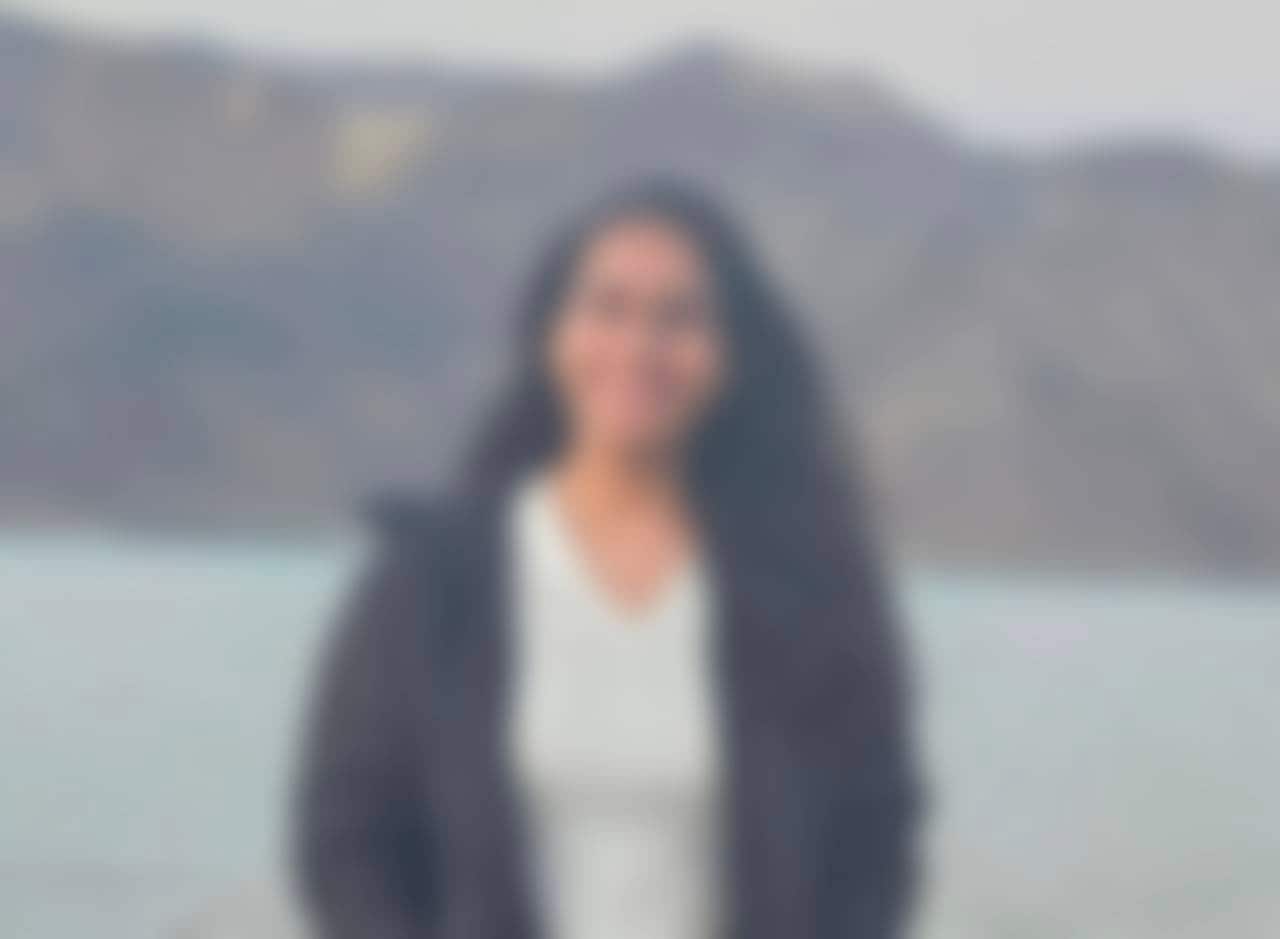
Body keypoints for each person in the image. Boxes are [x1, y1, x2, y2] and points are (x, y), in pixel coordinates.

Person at [293, 179, 922, 939]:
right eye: (607, 307)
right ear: (551, 333)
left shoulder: (813, 591)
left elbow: (874, 843)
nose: (638, 347)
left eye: (678, 317)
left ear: (732, 353)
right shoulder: (432, 578)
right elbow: (347, 838)